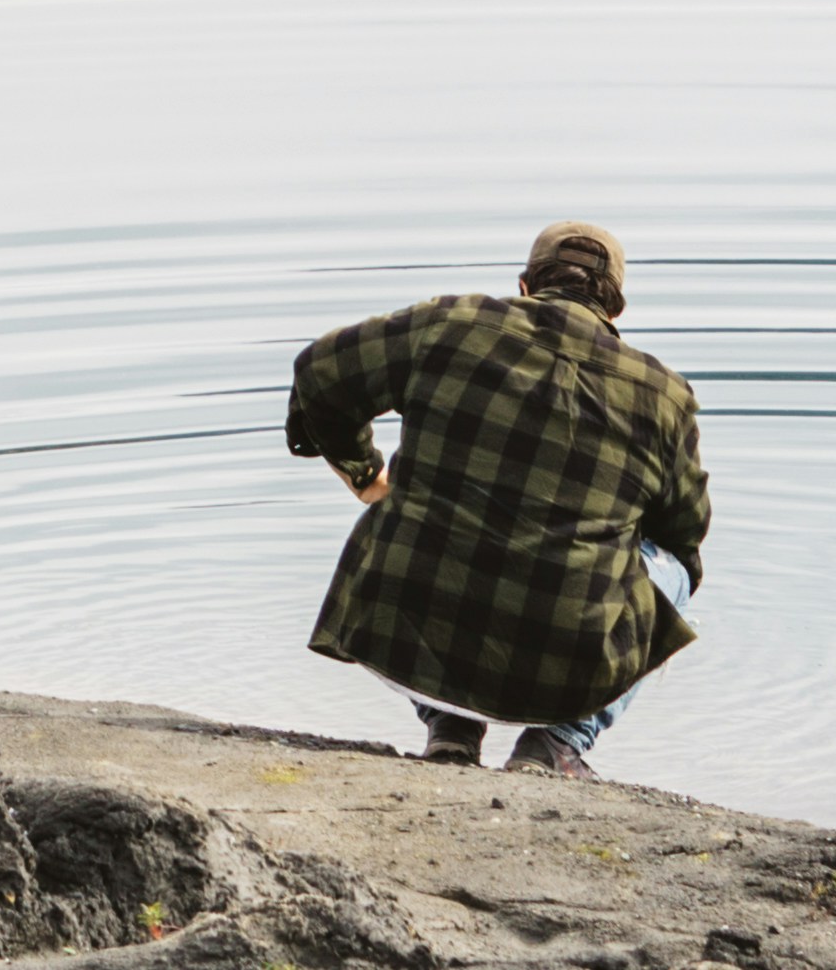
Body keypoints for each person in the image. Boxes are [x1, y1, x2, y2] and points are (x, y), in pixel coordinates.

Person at [283, 222, 710, 777]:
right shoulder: (665, 395)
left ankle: (450, 726)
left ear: (526, 284)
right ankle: (556, 742)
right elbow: (685, 531)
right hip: (570, 658)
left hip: (415, 630)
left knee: (423, 516)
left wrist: (365, 473)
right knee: (672, 567)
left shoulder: (448, 322)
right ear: (615, 310)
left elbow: (318, 371)